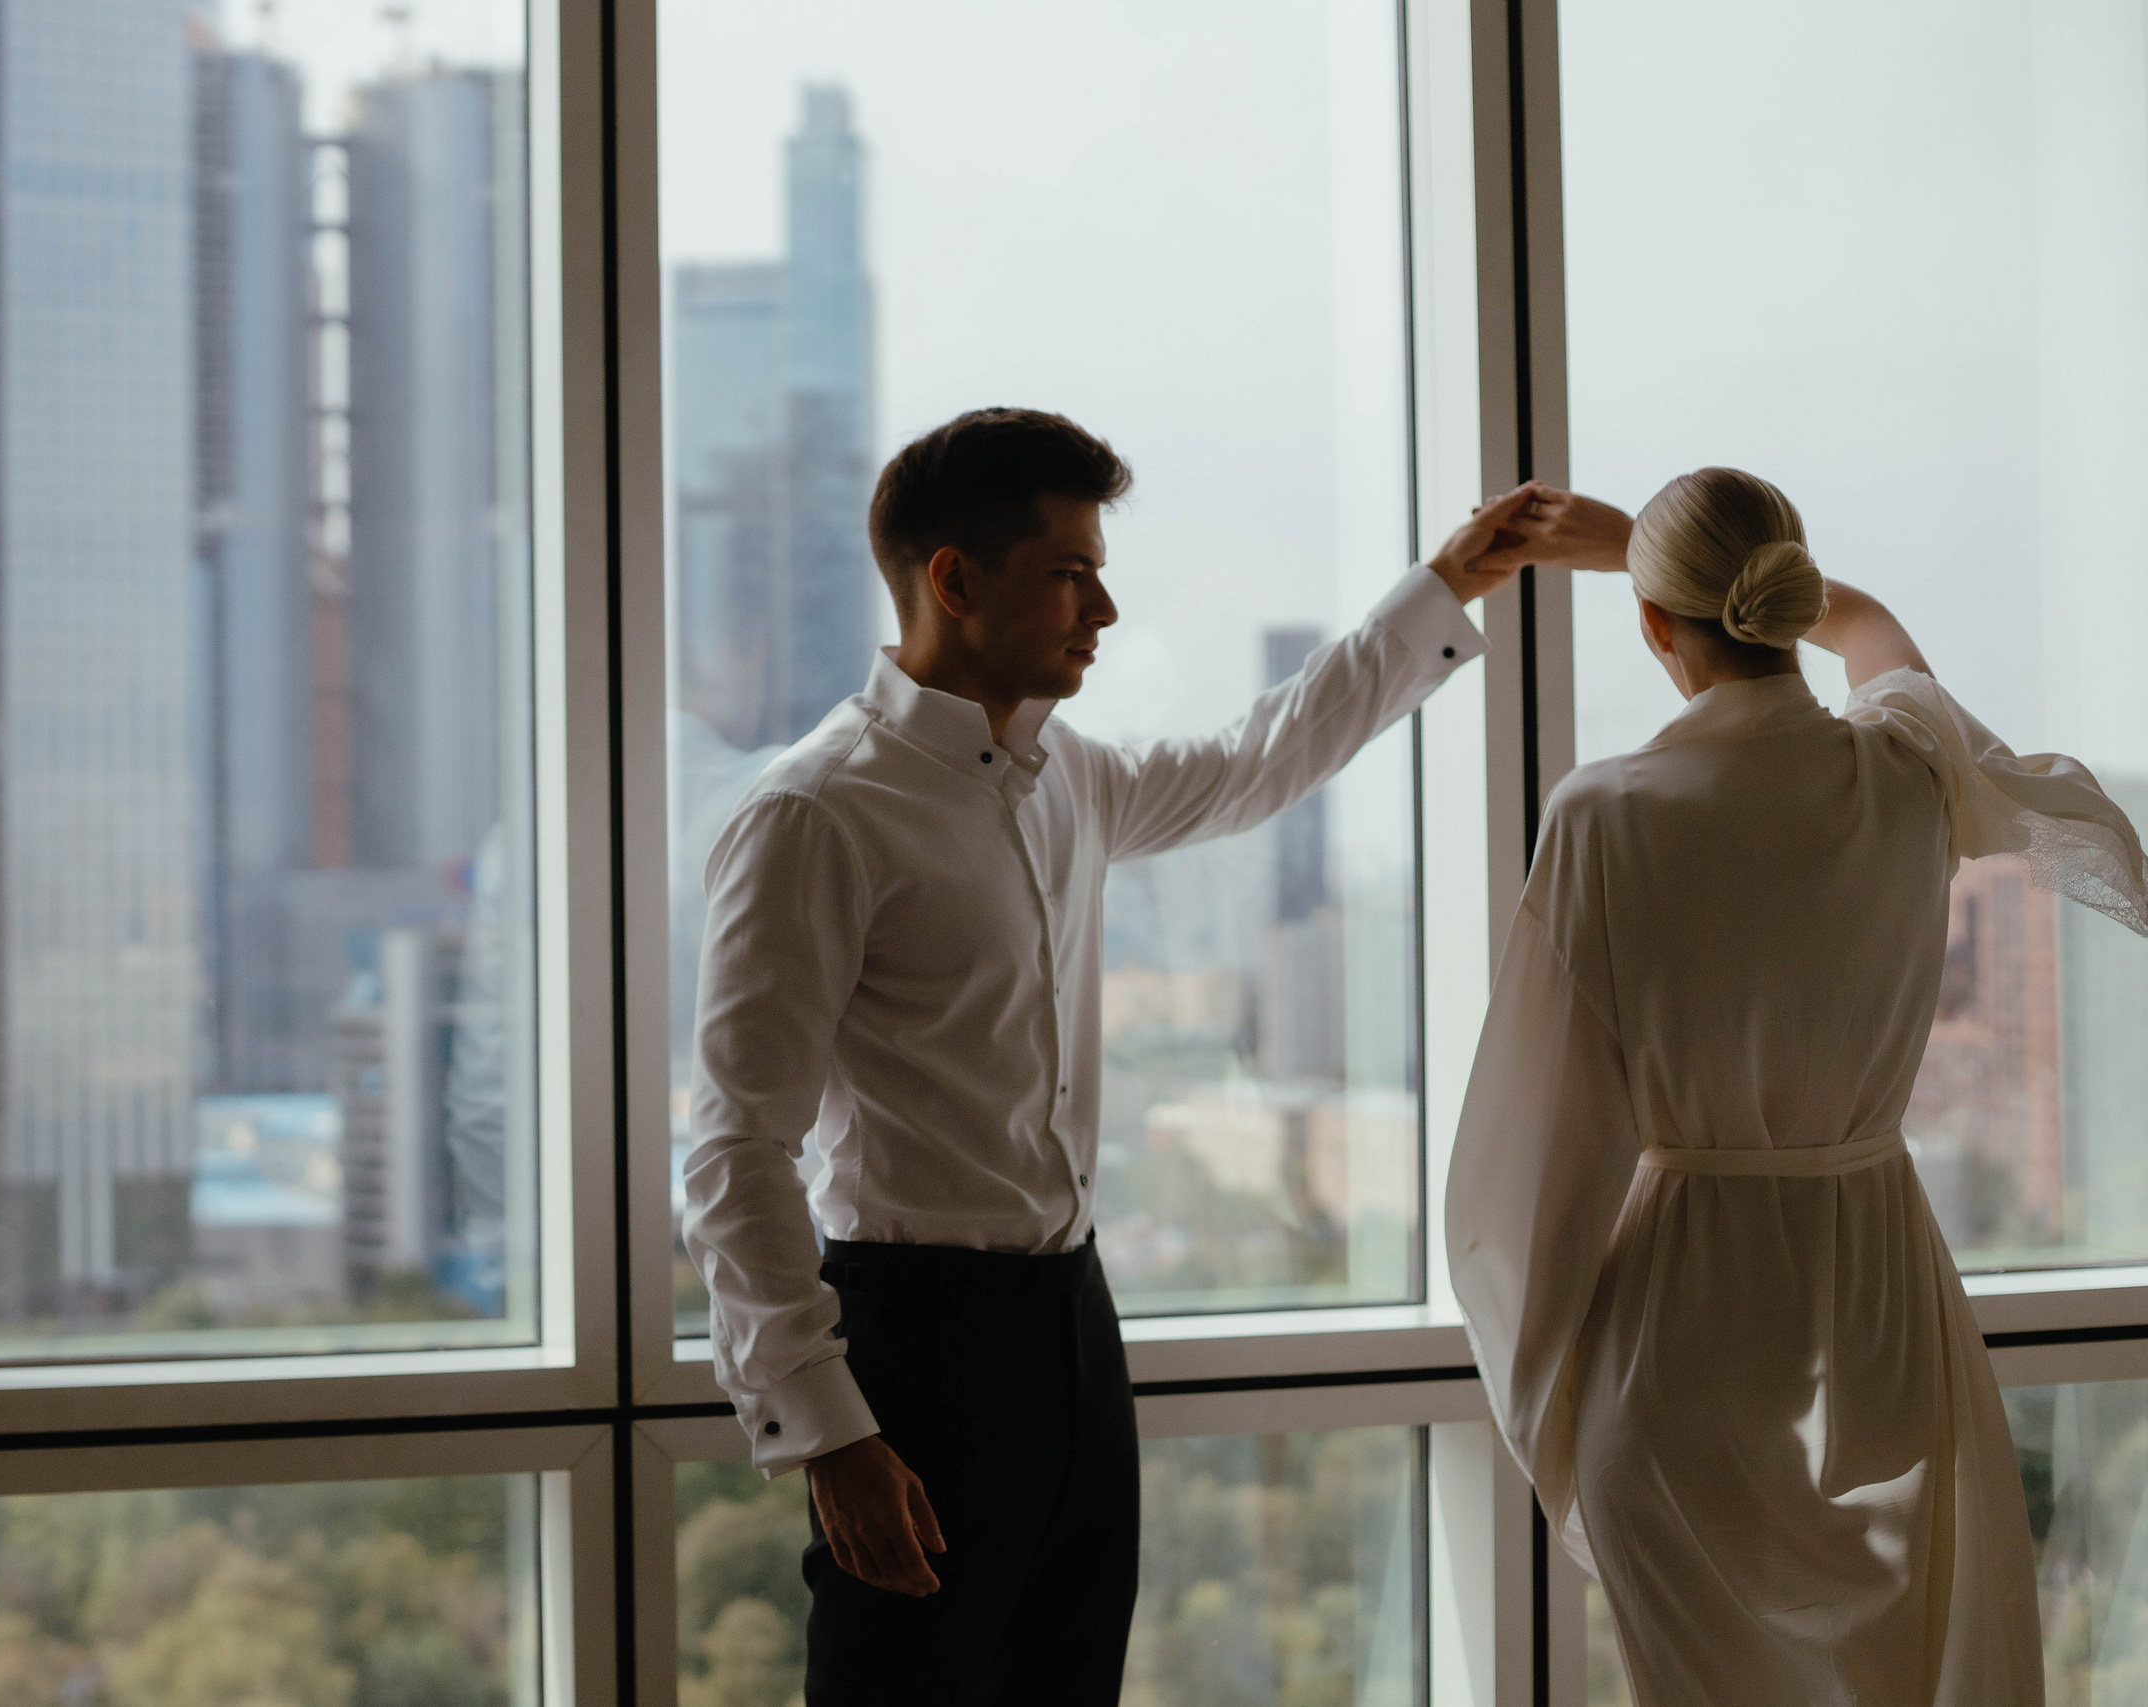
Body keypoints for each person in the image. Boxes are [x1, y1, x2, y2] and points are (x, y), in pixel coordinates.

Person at [680, 405, 1537, 1703]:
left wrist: (1447, 583)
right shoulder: (815, 810)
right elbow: (736, 1141)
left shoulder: (1067, 771)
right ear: (956, 580)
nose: (1107, 607)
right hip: (911, 1343)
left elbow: (1260, 759)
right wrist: (829, 1426)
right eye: (1071, 570)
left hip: (1075, 1325)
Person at [1448, 470, 2148, 1707]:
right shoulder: (1906, 769)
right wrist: (1645, 553)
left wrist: (1542, 1372)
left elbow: (1540, 1148)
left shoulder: (1605, 813)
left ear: (1654, 626)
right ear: (1790, 591)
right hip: (1878, 1290)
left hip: (1680, 1321)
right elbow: (1875, 643)